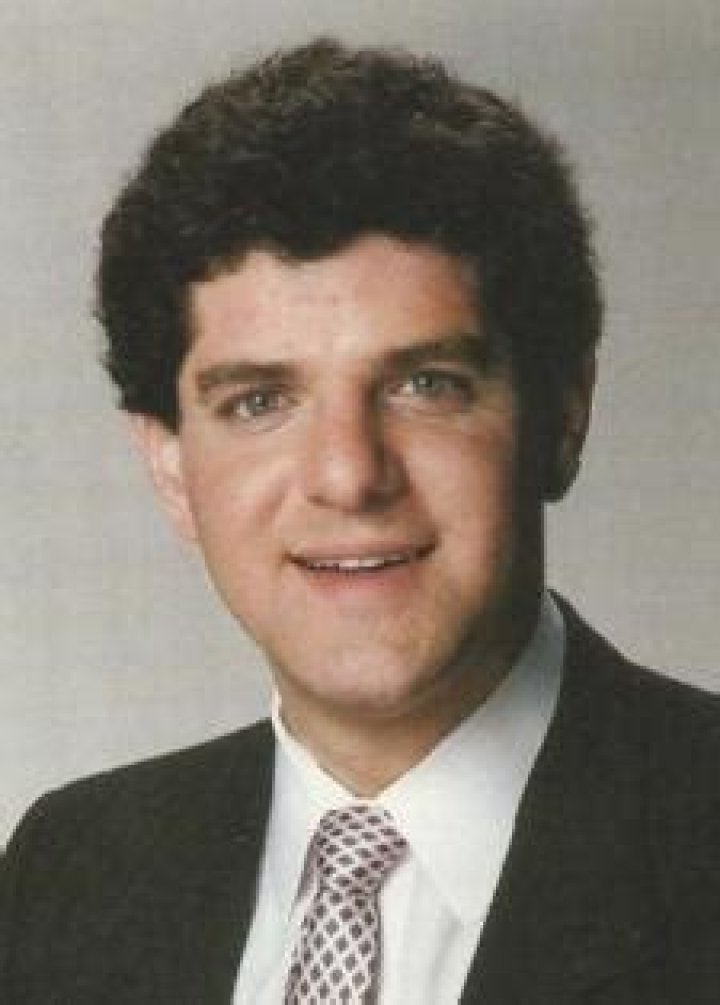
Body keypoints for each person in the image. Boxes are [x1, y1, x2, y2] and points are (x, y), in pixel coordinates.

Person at [1, 37, 718, 1005]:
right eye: (260, 401)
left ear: (562, 414)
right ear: (170, 465)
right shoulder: (70, 873)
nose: (349, 475)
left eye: (426, 384)